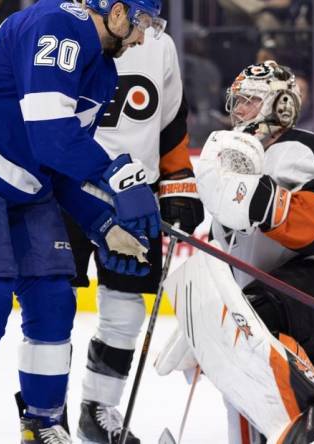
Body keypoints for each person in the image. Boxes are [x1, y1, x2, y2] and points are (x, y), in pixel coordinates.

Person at [0, 0, 167, 442]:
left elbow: (61, 163)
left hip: (27, 179)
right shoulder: (58, 23)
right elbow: (51, 134)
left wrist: (104, 226)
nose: (143, 37)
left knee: (53, 299)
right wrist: (123, 177)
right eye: (143, 22)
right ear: (118, 11)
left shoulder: (104, 72)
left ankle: (43, 425)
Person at [156, 61, 314, 443]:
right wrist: (203, 328)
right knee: (244, 374)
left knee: (249, 329)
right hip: (279, 308)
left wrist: (265, 202)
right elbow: (225, 265)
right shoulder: (231, 168)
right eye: (236, 101)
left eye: (249, 101)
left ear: (281, 106)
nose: (237, 111)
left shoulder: (303, 147)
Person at [62, 28, 204, 443]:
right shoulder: (66, 30)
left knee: (125, 314)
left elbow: (171, 124)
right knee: (51, 307)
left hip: (135, 200)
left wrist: (178, 180)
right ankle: (45, 414)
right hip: (65, 191)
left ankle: (97, 410)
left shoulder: (159, 44)